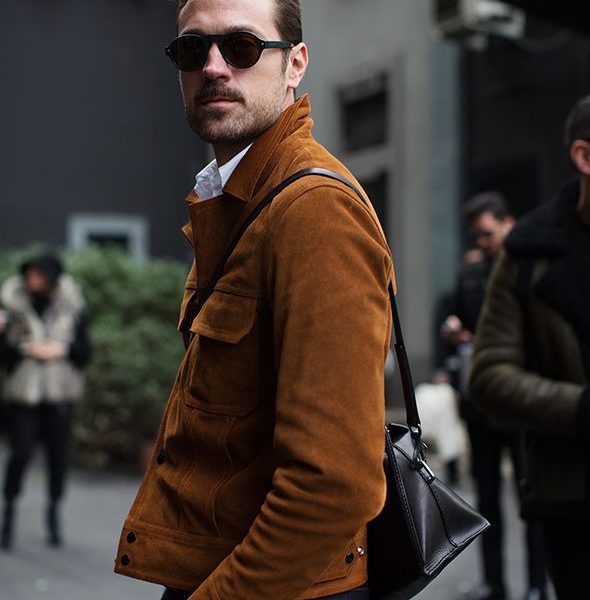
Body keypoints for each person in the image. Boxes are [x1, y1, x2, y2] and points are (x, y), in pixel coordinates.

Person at [114, 1, 394, 599]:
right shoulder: (240, 198)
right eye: (192, 49)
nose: (213, 67)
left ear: (295, 64)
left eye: (241, 47)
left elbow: (335, 484)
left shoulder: (313, 211)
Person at [469, 95, 590, 599]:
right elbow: (488, 375)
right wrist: (579, 408)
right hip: (575, 500)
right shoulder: (527, 257)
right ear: (584, 156)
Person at [442, 195, 548, 600]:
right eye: (478, 235)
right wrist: (455, 331)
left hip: (520, 403)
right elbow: (456, 317)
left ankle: (536, 585)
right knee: (486, 502)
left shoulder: (529, 269)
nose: (483, 242)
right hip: (481, 404)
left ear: (509, 223)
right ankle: (494, 584)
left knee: (531, 500)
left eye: (488, 233)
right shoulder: (472, 273)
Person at [0, 254, 91, 549]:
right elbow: (5, 355)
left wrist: (59, 350)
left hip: (58, 396)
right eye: (29, 274)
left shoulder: (72, 307)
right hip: (23, 396)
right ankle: (8, 514)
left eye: (38, 274)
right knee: (20, 455)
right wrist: (26, 348)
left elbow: (84, 351)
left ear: (52, 277)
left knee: (57, 459)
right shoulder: (13, 305)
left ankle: (53, 516)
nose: (32, 280)